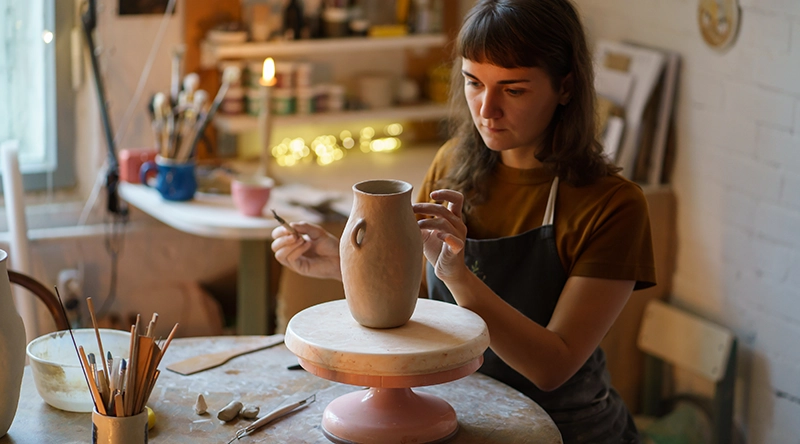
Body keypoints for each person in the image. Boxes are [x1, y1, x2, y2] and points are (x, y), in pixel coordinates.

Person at [271, 0, 656, 442]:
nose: (487, 109)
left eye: (513, 90)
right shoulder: (452, 164)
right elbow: (415, 298)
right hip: (456, 406)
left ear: (565, 87)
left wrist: (459, 276)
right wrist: (340, 263)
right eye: (474, 82)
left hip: (563, 426)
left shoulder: (614, 206)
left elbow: (553, 367)